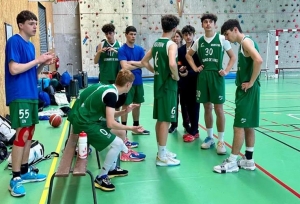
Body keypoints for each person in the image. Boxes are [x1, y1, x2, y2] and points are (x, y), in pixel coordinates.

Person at [5, 10, 55, 197]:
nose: (35, 26)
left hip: (31, 93)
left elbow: (32, 73)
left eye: (36, 23)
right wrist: (37, 60)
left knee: (30, 132)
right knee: (22, 133)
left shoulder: (31, 46)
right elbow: (14, 68)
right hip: (19, 95)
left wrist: (43, 63)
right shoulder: (14, 42)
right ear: (21, 25)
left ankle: (24, 171)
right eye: (31, 23)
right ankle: (15, 178)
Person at [69, 69, 146, 191]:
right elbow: (110, 123)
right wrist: (131, 128)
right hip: (85, 124)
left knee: (119, 139)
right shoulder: (111, 95)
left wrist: (124, 111)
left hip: (88, 120)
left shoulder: (110, 89)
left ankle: (112, 168)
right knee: (118, 143)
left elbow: (109, 115)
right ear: (128, 84)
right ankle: (101, 177)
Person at [213, 19, 262, 173]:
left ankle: (233, 161)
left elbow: (258, 60)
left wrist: (251, 82)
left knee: (238, 127)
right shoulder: (245, 43)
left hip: (247, 90)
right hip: (248, 91)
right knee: (248, 126)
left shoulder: (246, 42)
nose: (226, 38)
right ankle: (248, 159)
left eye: (227, 34)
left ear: (235, 29)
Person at [186, 13, 236, 154]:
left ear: (215, 24)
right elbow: (188, 55)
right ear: (202, 25)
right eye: (205, 22)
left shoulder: (221, 39)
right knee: (207, 108)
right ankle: (209, 138)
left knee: (219, 109)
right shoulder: (199, 41)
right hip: (203, 77)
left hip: (216, 76)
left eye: (210, 22)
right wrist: (195, 68)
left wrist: (226, 70)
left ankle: (221, 140)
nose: (208, 24)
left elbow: (233, 56)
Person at [141, 14, 180, 166]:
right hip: (167, 86)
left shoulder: (156, 43)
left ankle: (161, 151)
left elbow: (144, 61)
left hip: (158, 84)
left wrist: (155, 71)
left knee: (160, 120)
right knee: (165, 120)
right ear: (175, 28)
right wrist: (176, 76)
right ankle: (162, 157)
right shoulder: (171, 45)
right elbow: (172, 64)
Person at [118, 26, 154, 135]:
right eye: (131, 34)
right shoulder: (122, 50)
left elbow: (144, 63)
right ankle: (123, 129)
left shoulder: (139, 49)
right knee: (126, 105)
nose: (133, 36)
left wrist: (131, 62)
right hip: (126, 82)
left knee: (137, 105)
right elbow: (124, 67)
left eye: (134, 34)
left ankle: (135, 127)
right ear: (126, 35)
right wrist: (138, 64)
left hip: (138, 81)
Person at [178, 25, 201, 142]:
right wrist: (181, 69)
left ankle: (195, 130)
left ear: (193, 35)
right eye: (186, 35)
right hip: (183, 82)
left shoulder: (198, 48)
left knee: (194, 107)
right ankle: (192, 128)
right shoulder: (180, 50)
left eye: (190, 34)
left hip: (195, 81)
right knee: (186, 106)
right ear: (183, 36)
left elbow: (200, 66)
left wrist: (189, 72)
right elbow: (179, 64)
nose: (188, 37)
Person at [169, 29, 188, 134]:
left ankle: (186, 124)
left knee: (184, 104)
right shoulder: (169, 50)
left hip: (184, 81)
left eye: (177, 36)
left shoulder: (184, 50)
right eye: (173, 37)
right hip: (173, 81)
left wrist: (183, 69)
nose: (175, 38)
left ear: (181, 38)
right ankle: (173, 124)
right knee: (174, 104)